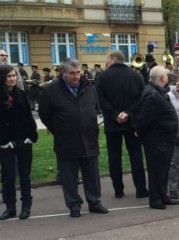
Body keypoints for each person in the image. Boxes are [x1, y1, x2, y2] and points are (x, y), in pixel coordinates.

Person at [38, 58, 109, 218]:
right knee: (69, 176)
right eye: (72, 73)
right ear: (63, 73)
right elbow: (44, 115)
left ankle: (94, 202)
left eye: (78, 73)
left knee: (92, 174)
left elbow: (95, 107)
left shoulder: (89, 87)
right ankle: (74, 205)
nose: (76, 76)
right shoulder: (51, 90)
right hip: (66, 140)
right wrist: (59, 129)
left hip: (89, 138)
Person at [96, 50, 148, 199]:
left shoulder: (102, 76)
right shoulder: (136, 76)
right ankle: (141, 189)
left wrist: (115, 114)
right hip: (132, 121)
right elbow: (141, 98)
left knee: (114, 157)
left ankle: (118, 190)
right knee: (136, 155)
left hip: (112, 122)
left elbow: (101, 99)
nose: (106, 61)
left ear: (112, 59)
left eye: (107, 58)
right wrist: (128, 113)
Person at [132, 66, 179, 209]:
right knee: (156, 170)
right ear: (162, 78)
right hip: (157, 139)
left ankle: (162, 195)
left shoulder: (157, 91)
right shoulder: (152, 94)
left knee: (163, 169)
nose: (168, 76)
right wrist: (140, 132)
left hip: (163, 138)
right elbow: (144, 118)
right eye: (166, 74)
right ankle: (156, 199)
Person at [0, 65, 38, 220]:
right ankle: (10, 207)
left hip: (23, 140)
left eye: (14, 76)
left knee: (24, 175)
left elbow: (28, 116)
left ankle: (26, 206)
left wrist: (31, 135)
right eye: (9, 76)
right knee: (8, 176)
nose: (12, 79)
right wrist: (3, 140)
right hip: (5, 142)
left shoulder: (21, 94)